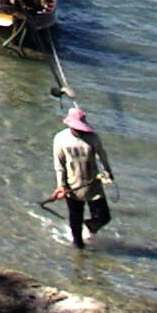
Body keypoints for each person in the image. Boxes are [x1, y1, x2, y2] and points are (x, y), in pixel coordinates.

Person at [48, 105, 113, 249]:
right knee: (75, 223)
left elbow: (102, 155)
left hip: (92, 183)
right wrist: (61, 186)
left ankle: (88, 226)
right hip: (72, 185)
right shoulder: (61, 139)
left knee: (104, 217)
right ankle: (79, 252)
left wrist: (107, 171)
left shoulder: (93, 138)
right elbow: (59, 164)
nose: (79, 131)